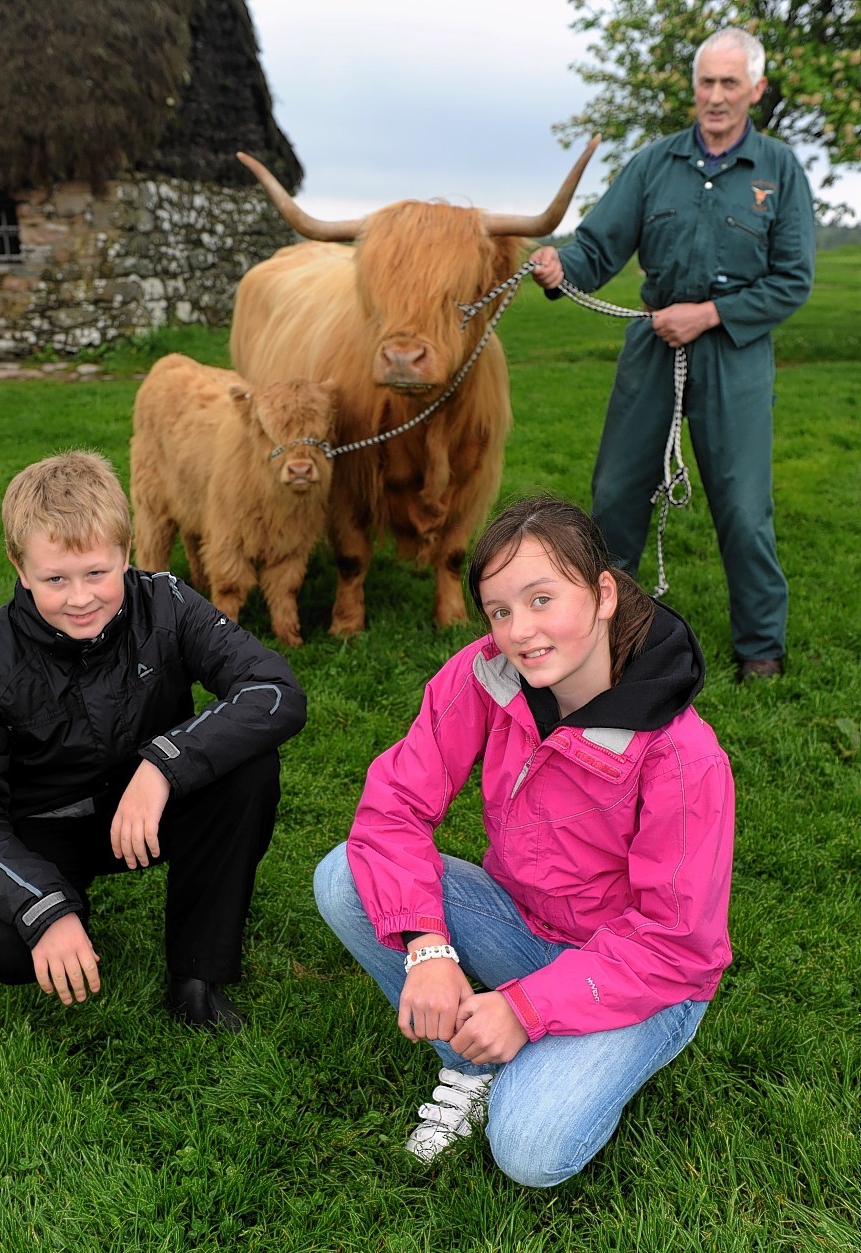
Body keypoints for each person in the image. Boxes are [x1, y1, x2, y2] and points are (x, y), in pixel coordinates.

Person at [314, 495, 734, 1187]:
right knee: (343, 877)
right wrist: (429, 944)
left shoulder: (683, 757)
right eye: (501, 610)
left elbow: (674, 942)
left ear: (602, 593)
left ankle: (546, 1050)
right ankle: (469, 1058)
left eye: (541, 599)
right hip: (524, 923)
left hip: (645, 977)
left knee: (530, 1150)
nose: (520, 631)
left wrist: (527, 1007)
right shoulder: (486, 674)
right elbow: (393, 805)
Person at [0, 450, 307, 1031]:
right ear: (19, 569)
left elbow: (274, 690)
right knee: (6, 945)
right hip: (48, 825)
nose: (80, 598)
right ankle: (59, 908)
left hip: (146, 806)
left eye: (97, 573)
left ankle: (196, 977)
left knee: (249, 767)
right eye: (55, 579)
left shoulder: (167, 603)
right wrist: (42, 909)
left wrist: (163, 766)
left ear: (125, 556)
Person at [530, 27, 815, 683]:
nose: (715, 96)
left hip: (734, 350)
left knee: (744, 506)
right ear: (694, 86)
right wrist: (558, 266)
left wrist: (711, 314)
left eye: (730, 83)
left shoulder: (779, 169)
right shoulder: (654, 164)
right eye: (706, 82)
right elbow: (596, 251)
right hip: (654, 341)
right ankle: (606, 636)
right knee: (616, 493)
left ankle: (761, 648)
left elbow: (793, 279)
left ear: (756, 90)